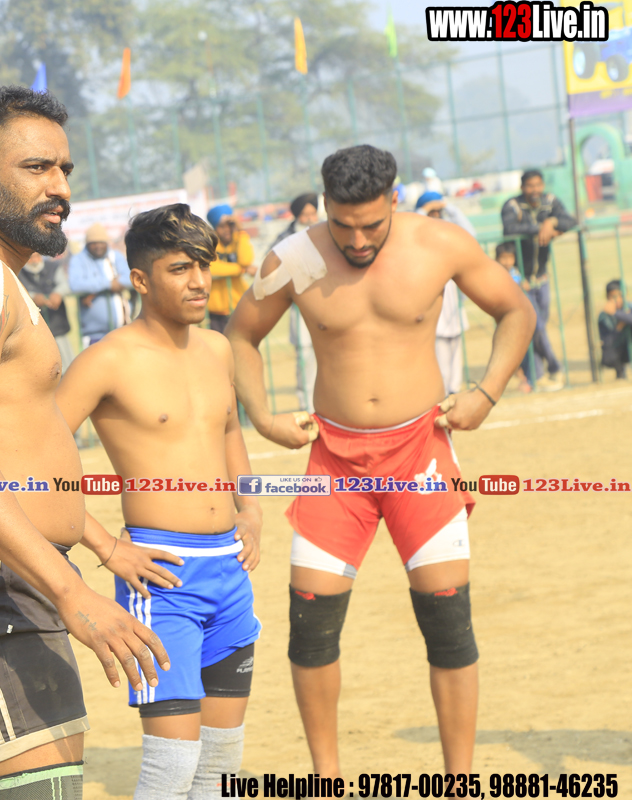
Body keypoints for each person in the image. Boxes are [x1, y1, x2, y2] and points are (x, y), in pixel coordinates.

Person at [0, 86, 168, 800]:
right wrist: (72, 591)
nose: (60, 188)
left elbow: (19, 443)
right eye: (37, 168)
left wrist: (99, 544)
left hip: (23, 572)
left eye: (65, 170)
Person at [228, 145, 536, 777]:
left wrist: (485, 394)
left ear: (394, 200)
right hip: (334, 464)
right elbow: (240, 334)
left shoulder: (440, 244)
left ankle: (459, 782)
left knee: (448, 620)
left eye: (371, 224)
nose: (358, 240)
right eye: (343, 225)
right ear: (324, 206)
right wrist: (261, 416)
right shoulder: (295, 258)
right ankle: (328, 780)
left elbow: (516, 310)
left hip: (421, 454)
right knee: (311, 627)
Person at [56, 204, 262, 800]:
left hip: (230, 569)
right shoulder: (107, 360)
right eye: (180, 269)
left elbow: (229, 430)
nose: (199, 281)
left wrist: (250, 508)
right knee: (172, 768)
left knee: (221, 766)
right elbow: (33, 464)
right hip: (161, 578)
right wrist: (106, 546)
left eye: (204, 266)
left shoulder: (217, 348)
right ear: (141, 279)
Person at [501, 169, 575, 391]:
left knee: (535, 327)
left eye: (538, 185)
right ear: (522, 187)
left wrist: (552, 221)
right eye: (530, 186)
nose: (535, 190)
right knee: (535, 326)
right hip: (520, 280)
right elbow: (510, 228)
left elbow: (570, 220)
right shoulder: (512, 206)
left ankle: (536, 375)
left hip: (542, 279)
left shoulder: (550, 201)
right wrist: (541, 228)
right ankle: (554, 367)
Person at [416, 192, 475, 395]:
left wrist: (448, 206)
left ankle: (453, 392)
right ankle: (441, 396)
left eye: (438, 211)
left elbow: (470, 233)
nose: (436, 215)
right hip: (434, 305)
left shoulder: (449, 234)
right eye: (431, 212)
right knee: (439, 357)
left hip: (453, 302)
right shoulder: (419, 237)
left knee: (456, 355)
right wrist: (422, 211)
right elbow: (413, 228)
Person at [273, 194, 321, 412]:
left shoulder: (325, 232)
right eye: (305, 214)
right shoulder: (285, 238)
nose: (309, 218)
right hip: (300, 304)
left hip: (326, 301)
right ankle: (307, 405)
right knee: (305, 353)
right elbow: (272, 265)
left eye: (313, 213)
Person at [71, 222, 133, 348]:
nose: (98, 246)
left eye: (101, 242)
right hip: (94, 335)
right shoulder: (78, 260)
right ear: (87, 244)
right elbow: (75, 285)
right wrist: (108, 284)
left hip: (123, 329)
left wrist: (94, 288)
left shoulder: (115, 256)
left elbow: (130, 278)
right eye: (94, 243)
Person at [17, 250, 75, 373]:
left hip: (57, 323)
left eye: (37, 257)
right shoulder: (19, 272)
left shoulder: (53, 267)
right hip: (34, 329)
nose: (34, 261)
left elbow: (65, 284)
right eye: (31, 258)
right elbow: (17, 290)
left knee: (67, 365)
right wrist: (32, 297)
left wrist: (58, 293)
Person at [205, 204, 255, 334]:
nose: (227, 230)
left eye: (230, 225)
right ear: (215, 228)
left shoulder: (239, 239)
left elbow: (246, 261)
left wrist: (241, 231)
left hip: (239, 307)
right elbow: (212, 268)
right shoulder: (209, 244)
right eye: (222, 226)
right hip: (217, 312)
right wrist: (241, 270)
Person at [494, 243, 533, 393]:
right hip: (504, 318)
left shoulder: (516, 273)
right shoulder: (496, 274)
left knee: (522, 348)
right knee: (508, 350)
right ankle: (519, 378)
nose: (507, 262)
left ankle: (526, 379)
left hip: (519, 318)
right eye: (503, 258)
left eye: (510, 258)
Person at [599, 279, 632, 380]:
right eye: (613, 297)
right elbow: (607, 341)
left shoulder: (629, 307)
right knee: (608, 353)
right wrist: (618, 327)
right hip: (619, 348)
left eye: (620, 296)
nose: (617, 299)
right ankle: (620, 371)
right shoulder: (604, 316)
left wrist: (617, 314)